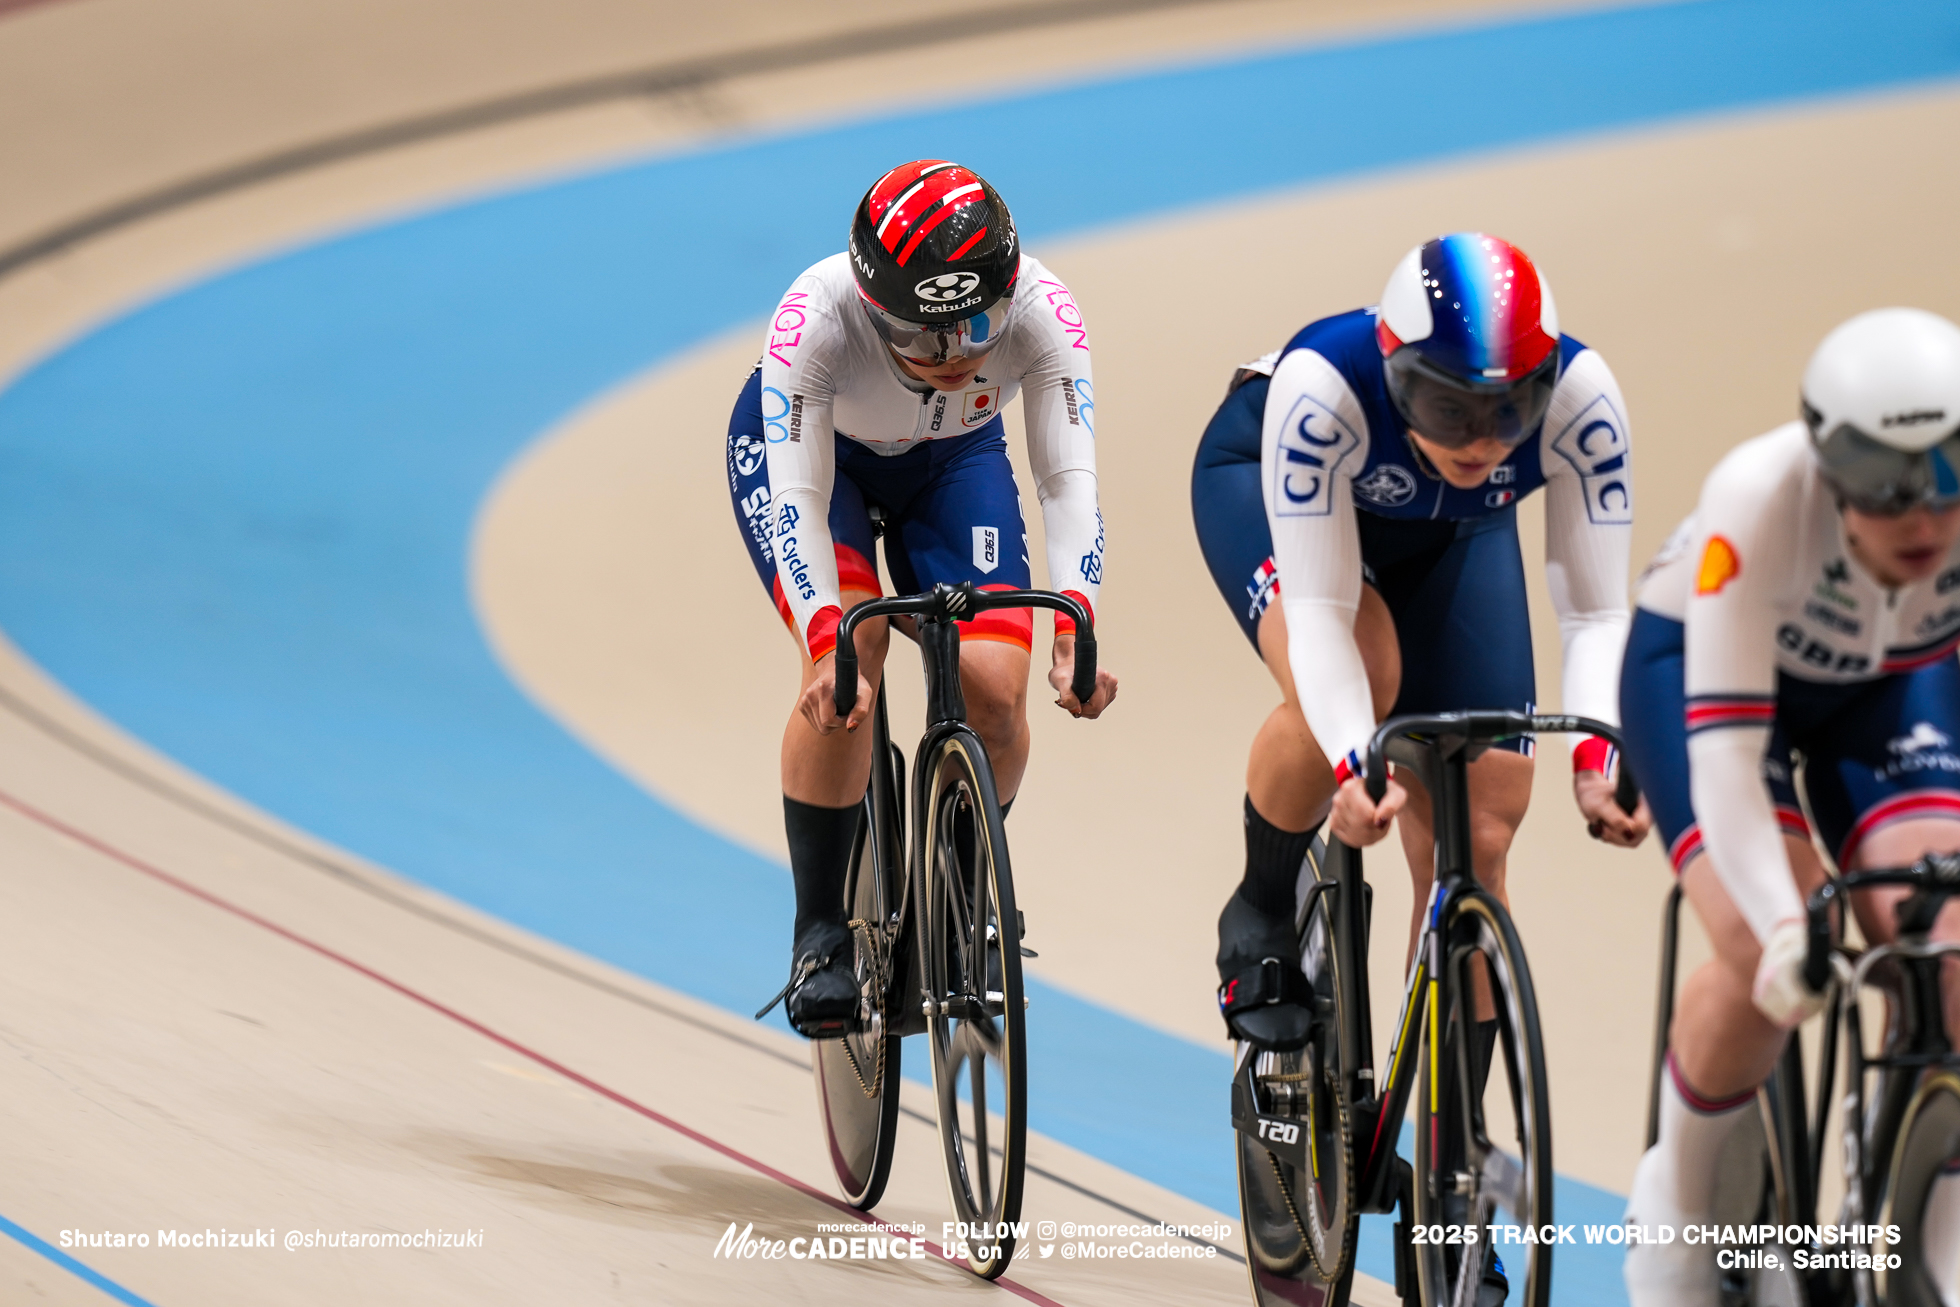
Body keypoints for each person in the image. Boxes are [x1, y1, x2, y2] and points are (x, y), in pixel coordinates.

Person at [1192, 231, 1651, 1056]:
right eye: (1451, 410)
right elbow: (1324, 615)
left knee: (1478, 833)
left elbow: (1595, 615)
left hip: (1448, 530)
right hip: (1266, 481)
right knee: (1363, 666)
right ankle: (1261, 903)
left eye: (1512, 410)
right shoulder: (1324, 387)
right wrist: (1350, 767)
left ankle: (1454, 1153)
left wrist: (1598, 761)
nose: (1482, 440)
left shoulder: (1584, 399)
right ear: (1397, 378)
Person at [730, 159, 1118, 1038]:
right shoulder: (813, 319)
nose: (951, 353)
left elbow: (1069, 482)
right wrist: (826, 630)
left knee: (997, 689)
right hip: (820, 461)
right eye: (916, 328)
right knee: (848, 669)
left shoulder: (1046, 313)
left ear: (1009, 292)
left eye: (976, 323)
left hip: (953, 464)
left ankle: (961, 891)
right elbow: (797, 499)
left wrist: (1077, 616)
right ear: (871, 305)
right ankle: (820, 929)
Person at [1619, 307, 1960, 1304]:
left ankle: (1917, 1222)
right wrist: (1779, 926)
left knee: (1941, 941)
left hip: (1890, 685)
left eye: (1947, 477)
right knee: (1756, 957)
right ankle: (1677, 1215)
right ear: (1827, 467)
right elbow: (1729, 755)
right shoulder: (1755, 498)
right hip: (1705, 675)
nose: (1923, 518)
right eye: (1888, 488)